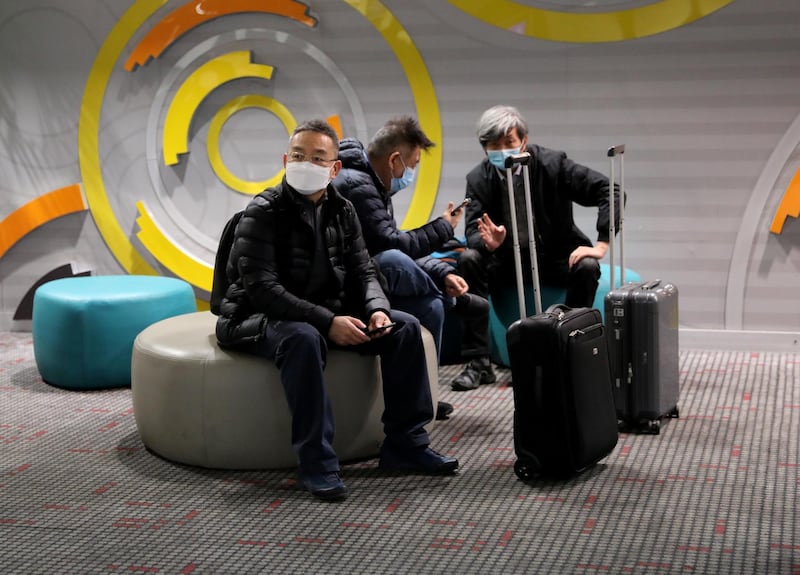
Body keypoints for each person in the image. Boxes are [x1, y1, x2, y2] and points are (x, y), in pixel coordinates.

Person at [215, 120, 458, 502]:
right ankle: (317, 462)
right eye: (298, 156)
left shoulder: (342, 211)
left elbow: (365, 270)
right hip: (255, 316)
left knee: (405, 328)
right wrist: (328, 322)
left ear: (334, 169)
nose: (305, 164)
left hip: (322, 312)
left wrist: (377, 309)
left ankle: (406, 445)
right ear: (285, 159)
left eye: (317, 157)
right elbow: (262, 290)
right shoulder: (262, 211)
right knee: (303, 338)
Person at [456, 105, 621, 389]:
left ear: (524, 140)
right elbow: (472, 231)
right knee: (469, 259)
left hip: (554, 258)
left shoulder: (552, 164)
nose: (503, 151)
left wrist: (602, 243)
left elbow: (610, 190)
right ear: (484, 148)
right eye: (494, 145)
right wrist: (488, 243)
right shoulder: (478, 179)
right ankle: (479, 362)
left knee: (588, 266)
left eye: (509, 143)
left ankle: (571, 350)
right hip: (507, 262)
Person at [333, 116, 495, 403]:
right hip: (348, 286)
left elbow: (393, 241)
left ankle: (426, 394)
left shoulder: (373, 184)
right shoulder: (355, 184)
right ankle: (453, 302)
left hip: (370, 280)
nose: (412, 173)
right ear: (395, 159)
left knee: (430, 306)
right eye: (414, 164)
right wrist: (444, 227)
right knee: (394, 259)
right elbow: (391, 245)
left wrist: (441, 273)